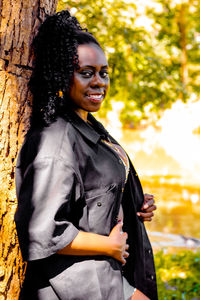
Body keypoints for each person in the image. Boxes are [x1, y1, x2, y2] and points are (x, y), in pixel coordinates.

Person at [15, 10, 158, 300]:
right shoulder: (55, 140)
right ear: (61, 75)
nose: (99, 82)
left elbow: (94, 191)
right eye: (86, 73)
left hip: (110, 274)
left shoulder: (88, 125)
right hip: (79, 284)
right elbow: (41, 231)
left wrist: (131, 201)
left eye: (104, 72)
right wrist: (108, 246)